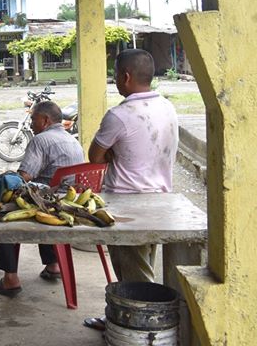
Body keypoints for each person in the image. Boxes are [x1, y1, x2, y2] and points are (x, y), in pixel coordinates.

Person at [84, 49, 178, 331]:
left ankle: (142, 330)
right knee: (142, 264)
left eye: (115, 75)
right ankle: (120, 319)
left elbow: (95, 156)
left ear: (125, 77)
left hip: (127, 208)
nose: (114, 80)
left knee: (135, 277)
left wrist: (114, 152)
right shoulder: (168, 107)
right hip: (161, 202)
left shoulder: (119, 115)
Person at [0, 101, 84, 297]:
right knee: (41, 191)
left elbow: (24, 176)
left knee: (1, 214)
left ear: (45, 120)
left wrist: (4, 181)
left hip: (48, 203)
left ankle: (10, 279)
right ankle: (53, 265)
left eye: (33, 119)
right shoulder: (73, 140)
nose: (31, 124)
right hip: (68, 204)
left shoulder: (40, 140)